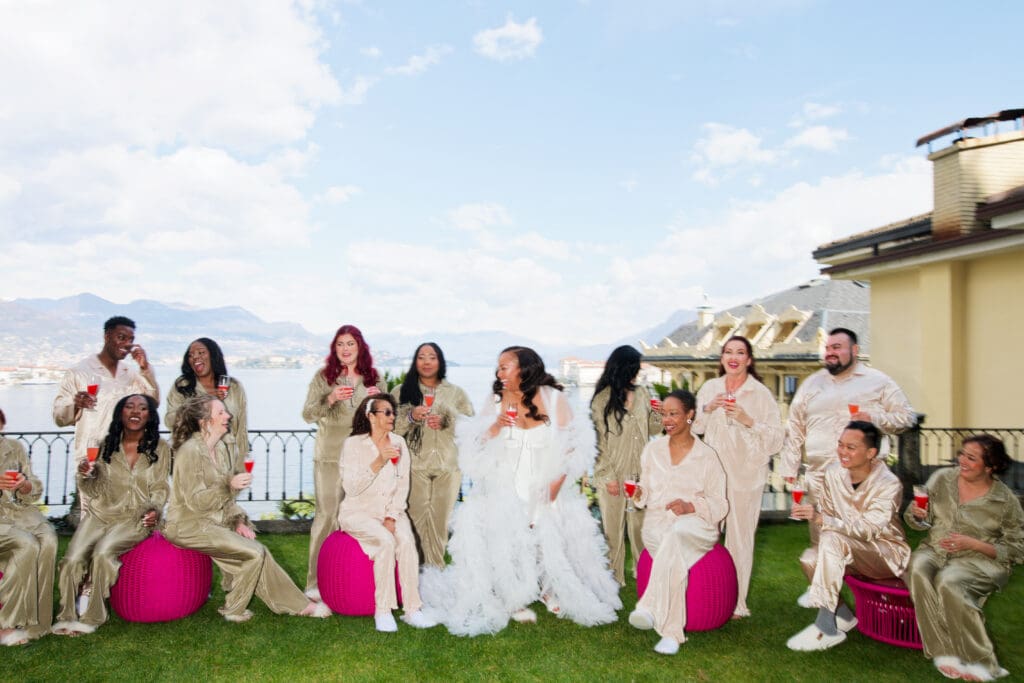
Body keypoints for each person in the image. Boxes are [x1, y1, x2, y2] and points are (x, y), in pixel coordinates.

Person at [420, 346, 621, 636]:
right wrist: (496, 427)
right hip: (506, 483)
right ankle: (511, 596)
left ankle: (551, 589)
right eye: (499, 367)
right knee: (507, 539)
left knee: (548, 537)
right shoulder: (496, 400)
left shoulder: (554, 399)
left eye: (505, 366)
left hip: (546, 483)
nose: (499, 372)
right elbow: (473, 449)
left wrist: (558, 482)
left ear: (524, 369)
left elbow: (577, 444)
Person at [778, 327, 915, 606]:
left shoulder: (878, 381)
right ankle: (826, 590)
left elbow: (906, 417)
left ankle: (885, 591)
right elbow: (795, 426)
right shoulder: (812, 384)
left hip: (863, 478)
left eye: (837, 347)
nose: (830, 352)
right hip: (818, 475)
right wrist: (790, 468)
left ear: (854, 350)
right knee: (822, 537)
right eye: (828, 347)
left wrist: (874, 416)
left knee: (869, 534)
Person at [163, 395, 329, 622]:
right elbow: (196, 502)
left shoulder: (219, 448)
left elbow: (225, 499)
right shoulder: (190, 452)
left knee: (257, 551)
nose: (228, 416)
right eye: (220, 412)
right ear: (204, 421)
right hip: (187, 525)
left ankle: (297, 603)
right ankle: (235, 609)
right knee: (255, 553)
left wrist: (238, 521)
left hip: (212, 521)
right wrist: (228, 484)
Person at [905, 435, 1024, 681]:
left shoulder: (1005, 500)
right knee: (917, 567)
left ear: (990, 466)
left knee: (949, 582)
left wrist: (976, 544)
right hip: (935, 549)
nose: (962, 460)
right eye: (962, 454)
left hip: (981, 560)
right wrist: (918, 515)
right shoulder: (941, 478)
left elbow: (1017, 548)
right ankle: (944, 651)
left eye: (971, 457)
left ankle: (983, 663)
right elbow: (916, 519)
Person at [786, 421, 910, 651]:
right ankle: (843, 616)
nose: (843, 451)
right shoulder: (833, 473)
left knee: (833, 540)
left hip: (884, 553)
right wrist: (820, 517)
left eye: (851, 447)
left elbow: (869, 529)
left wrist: (824, 520)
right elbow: (828, 513)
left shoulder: (889, 484)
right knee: (809, 559)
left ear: (871, 453)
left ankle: (826, 628)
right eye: (840, 445)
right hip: (846, 549)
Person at [53, 394, 171, 636]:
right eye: (129, 406)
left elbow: (160, 488)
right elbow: (93, 490)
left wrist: (155, 511)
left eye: (142, 407)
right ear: (121, 413)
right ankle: (65, 614)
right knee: (72, 559)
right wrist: (87, 474)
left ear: (150, 415)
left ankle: (93, 615)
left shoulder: (160, 448)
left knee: (103, 553)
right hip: (101, 513)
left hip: (135, 517)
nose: (135, 411)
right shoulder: (105, 444)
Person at [627, 390, 729, 655]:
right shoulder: (652, 450)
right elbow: (645, 492)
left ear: (690, 415)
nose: (667, 420)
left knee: (679, 533)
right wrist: (639, 494)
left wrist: (690, 506)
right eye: (664, 414)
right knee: (672, 550)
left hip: (697, 525)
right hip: (657, 524)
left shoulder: (707, 456)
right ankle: (667, 629)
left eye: (674, 414)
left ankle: (655, 614)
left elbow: (721, 504)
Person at [694, 336, 784, 618]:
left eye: (740, 352)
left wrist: (747, 419)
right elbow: (694, 426)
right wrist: (707, 409)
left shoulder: (760, 394)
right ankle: (702, 591)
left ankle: (736, 603)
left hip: (746, 475)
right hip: (711, 474)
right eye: (728, 352)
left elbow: (776, 440)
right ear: (722, 358)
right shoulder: (710, 388)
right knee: (705, 530)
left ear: (749, 360)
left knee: (740, 538)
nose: (733, 357)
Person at [301, 324, 386, 599]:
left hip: (363, 457)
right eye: (340, 344)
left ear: (359, 346)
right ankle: (314, 583)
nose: (345, 349)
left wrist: (379, 404)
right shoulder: (323, 377)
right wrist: (330, 398)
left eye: (350, 343)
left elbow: (387, 417)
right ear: (334, 349)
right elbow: (307, 414)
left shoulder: (374, 378)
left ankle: (354, 577)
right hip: (329, 456)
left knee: (362, 517)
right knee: (326, 517)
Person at [338, 395, 436, 632]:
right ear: (371, 416)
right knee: (384, 542)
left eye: (393, 412)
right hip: (358, 512)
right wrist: (379, 460)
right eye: (387, 413)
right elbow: (351, 488)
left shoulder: (399, 443)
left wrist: (392, 516)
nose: (392, 417)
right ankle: (382, 611)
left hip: (391, 511)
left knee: (407, 544)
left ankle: (412, 610)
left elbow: (403, 485)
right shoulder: (352, 445)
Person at [52, 316, 160, 497]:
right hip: (92, 458)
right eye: (121, 337)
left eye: (130, 340)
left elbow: (152, 402)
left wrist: (145, 368)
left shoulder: (131, 374)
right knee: (91, 518)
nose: (127, 344)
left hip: (124, 457)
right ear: (107, 336)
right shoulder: (79, 372)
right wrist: (76, 404)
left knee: (124, 518)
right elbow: (59, 417)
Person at [392, 342, 474, 568]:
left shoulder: (456, 393)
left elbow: (471, 427)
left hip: (448, 466)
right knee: (414, 521)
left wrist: (448, 420)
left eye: (432, 357)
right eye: (421, 357)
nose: (427, 362)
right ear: (415, 361)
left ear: (440, 362)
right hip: (413, 466)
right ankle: (411, 572)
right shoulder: (401, 391)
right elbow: (389, 429)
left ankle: (435, 573)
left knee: (441, 523)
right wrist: (410, 417)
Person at [590, 345, 662, 586]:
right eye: (634, 368)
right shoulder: (601, 399)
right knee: (613, 530)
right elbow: (597, 440)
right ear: (623, 368)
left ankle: (644, 573)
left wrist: (657, 414)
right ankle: (614, 578)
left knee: (641, 527)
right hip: (612, 472)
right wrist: (608, 475)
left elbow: (654, 430)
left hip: (640, 472)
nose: (637, 373)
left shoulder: (643, 393)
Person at [0, 407, 57, 645]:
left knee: (50, 540)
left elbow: (33, 484)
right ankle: (6, 622)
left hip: (21, 514)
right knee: (27, 545)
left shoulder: (15, 447)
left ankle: (37, 621)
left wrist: (25, 487)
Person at [166, 338, 249, 460]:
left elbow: (241, 428)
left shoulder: (234, 387)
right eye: (191, 355)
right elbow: (170, 420)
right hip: (192, 457)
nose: (195, 357)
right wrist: (202, 404)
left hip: (227, 458)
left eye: (201, 352)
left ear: (213, 356)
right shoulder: (182, 386)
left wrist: (242, 462)